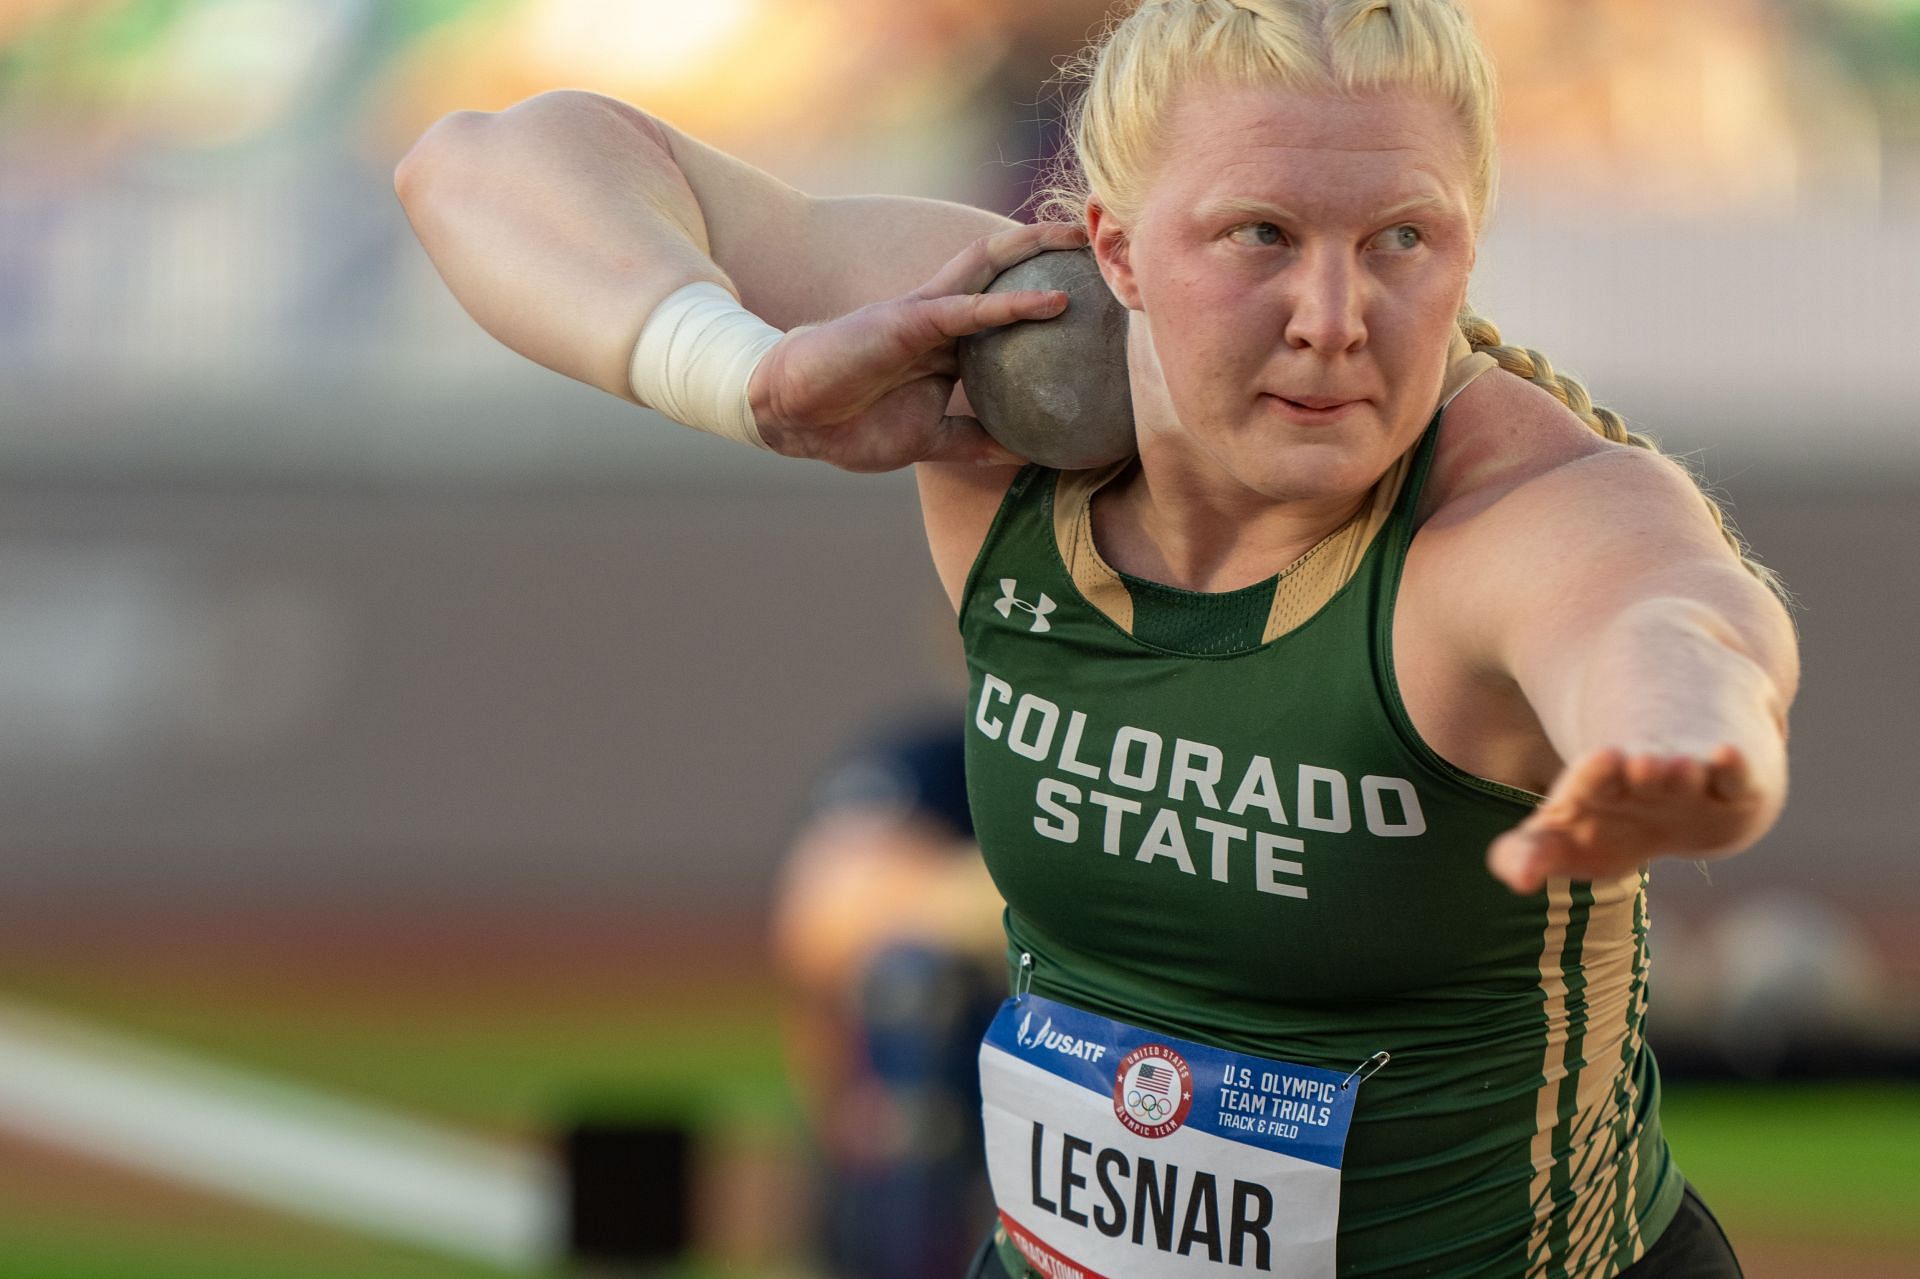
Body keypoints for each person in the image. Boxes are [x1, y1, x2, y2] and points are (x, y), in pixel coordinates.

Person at [393, 1, 1798, 1274]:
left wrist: (1684, 734)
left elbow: (1672, 615)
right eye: (1260, 235)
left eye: (1401, 241)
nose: (1333, 319)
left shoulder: (1511, 512)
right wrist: (747, 376)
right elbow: (477, 164)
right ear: (1114, 246)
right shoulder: (997, 347)